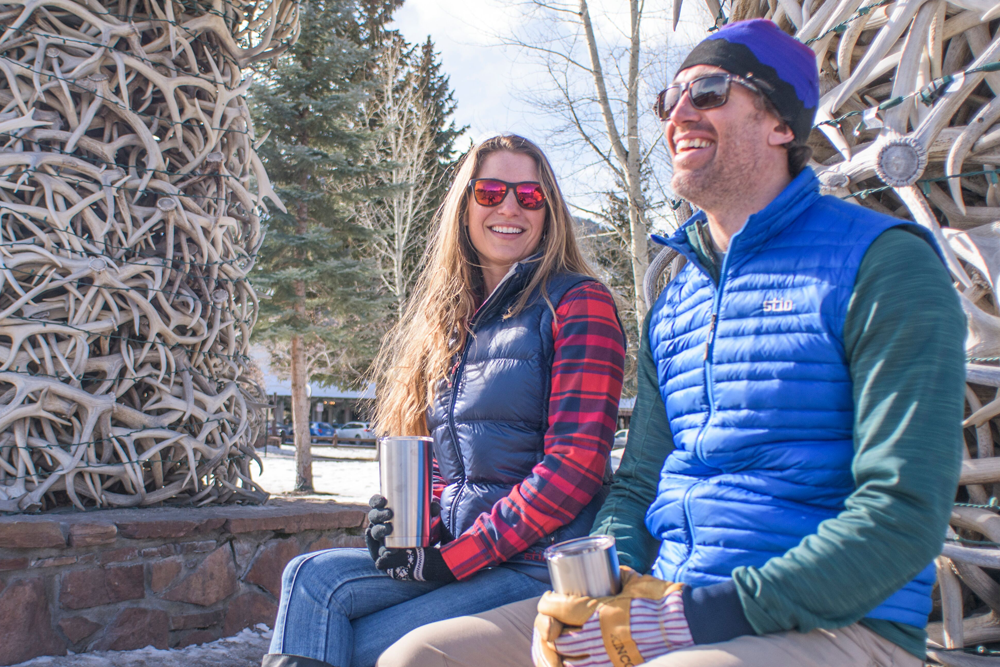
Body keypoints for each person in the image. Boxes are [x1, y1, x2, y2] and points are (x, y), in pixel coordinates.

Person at [377, 19, 966, 667]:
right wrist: (603, 586)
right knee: (421, 655)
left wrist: (699, 615)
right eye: (669, 97)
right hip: (668, 596)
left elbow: (901, 513)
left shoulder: (884, 264)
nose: (678, 112)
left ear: (782, 126)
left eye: (710, 91)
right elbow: (636, 486)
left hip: (837, 623)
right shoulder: (679, 299)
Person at [261, 135, 627, 667]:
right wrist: (415, 526)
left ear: (549, 212)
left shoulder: (577, 302)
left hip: (536, 563)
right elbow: (449, 466)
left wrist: (457, 556)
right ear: (465, 204)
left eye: (529, 195)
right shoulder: (453, 319)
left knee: (359, 649)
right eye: (491, 191)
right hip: (470, 555)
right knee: (310, 578)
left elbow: (576, 467)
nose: (509, 207)